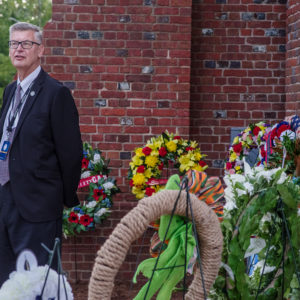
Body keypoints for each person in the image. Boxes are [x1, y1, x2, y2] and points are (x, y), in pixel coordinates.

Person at [0, 22, 83, 286]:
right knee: (6, 279)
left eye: (27, 43)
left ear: (41, 50)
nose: (19, 49)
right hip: (5, 202)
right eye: (14, 43)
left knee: (36, 284)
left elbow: (71, 154)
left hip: (37, 208)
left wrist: (60, 199)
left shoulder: (56, 94)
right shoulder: (10, 91)